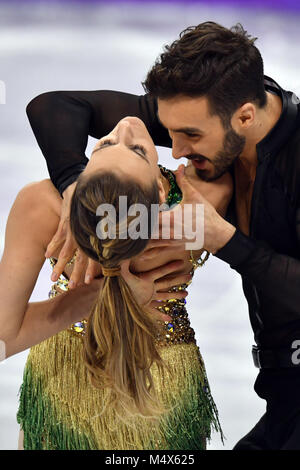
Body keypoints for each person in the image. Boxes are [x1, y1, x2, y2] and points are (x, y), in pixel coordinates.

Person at [25, 21, 300, 450]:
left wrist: (224, 240)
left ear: (245, 116)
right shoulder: (208, 113)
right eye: (168, 130)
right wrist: (80, 194)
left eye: (189, 136)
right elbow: (55, 106)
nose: (175, 151)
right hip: (282, 394)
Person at [1, 116, 232, 450]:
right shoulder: (202, 206)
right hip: (161, 383)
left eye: (128, 147)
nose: (125, 125)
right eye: (109, 144)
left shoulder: (41, 205)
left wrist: (87, 298)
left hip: (65, 380)